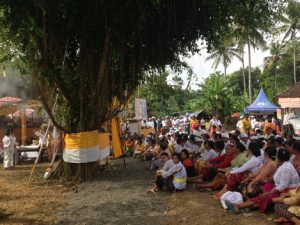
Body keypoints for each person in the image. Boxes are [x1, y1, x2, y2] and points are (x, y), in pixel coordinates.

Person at [227, 149, 300, 214]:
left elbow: (283, 186)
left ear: (279, 158)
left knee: (265, 196)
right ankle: (246, 206)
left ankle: (240, 206)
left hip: (286, 192)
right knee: (262, 192)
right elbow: (272, 178)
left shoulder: (286, 168)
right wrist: (268, 180)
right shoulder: (283, 165)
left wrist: (269, 192)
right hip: (279, 188)